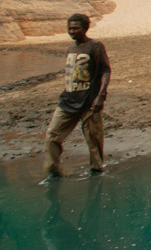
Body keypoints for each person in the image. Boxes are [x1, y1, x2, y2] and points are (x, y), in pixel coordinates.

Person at [43, 13, 111, 179]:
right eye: (69, 28)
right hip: (68, 100)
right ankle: (54, 171)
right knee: (52, 136)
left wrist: (101, 96)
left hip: (89, 102)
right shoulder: (71, 48)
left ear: (85, 28)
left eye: (75, 28)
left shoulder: (95, 46)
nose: (72, 31)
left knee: (93, 140)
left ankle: (96, 170)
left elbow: (106, 70)